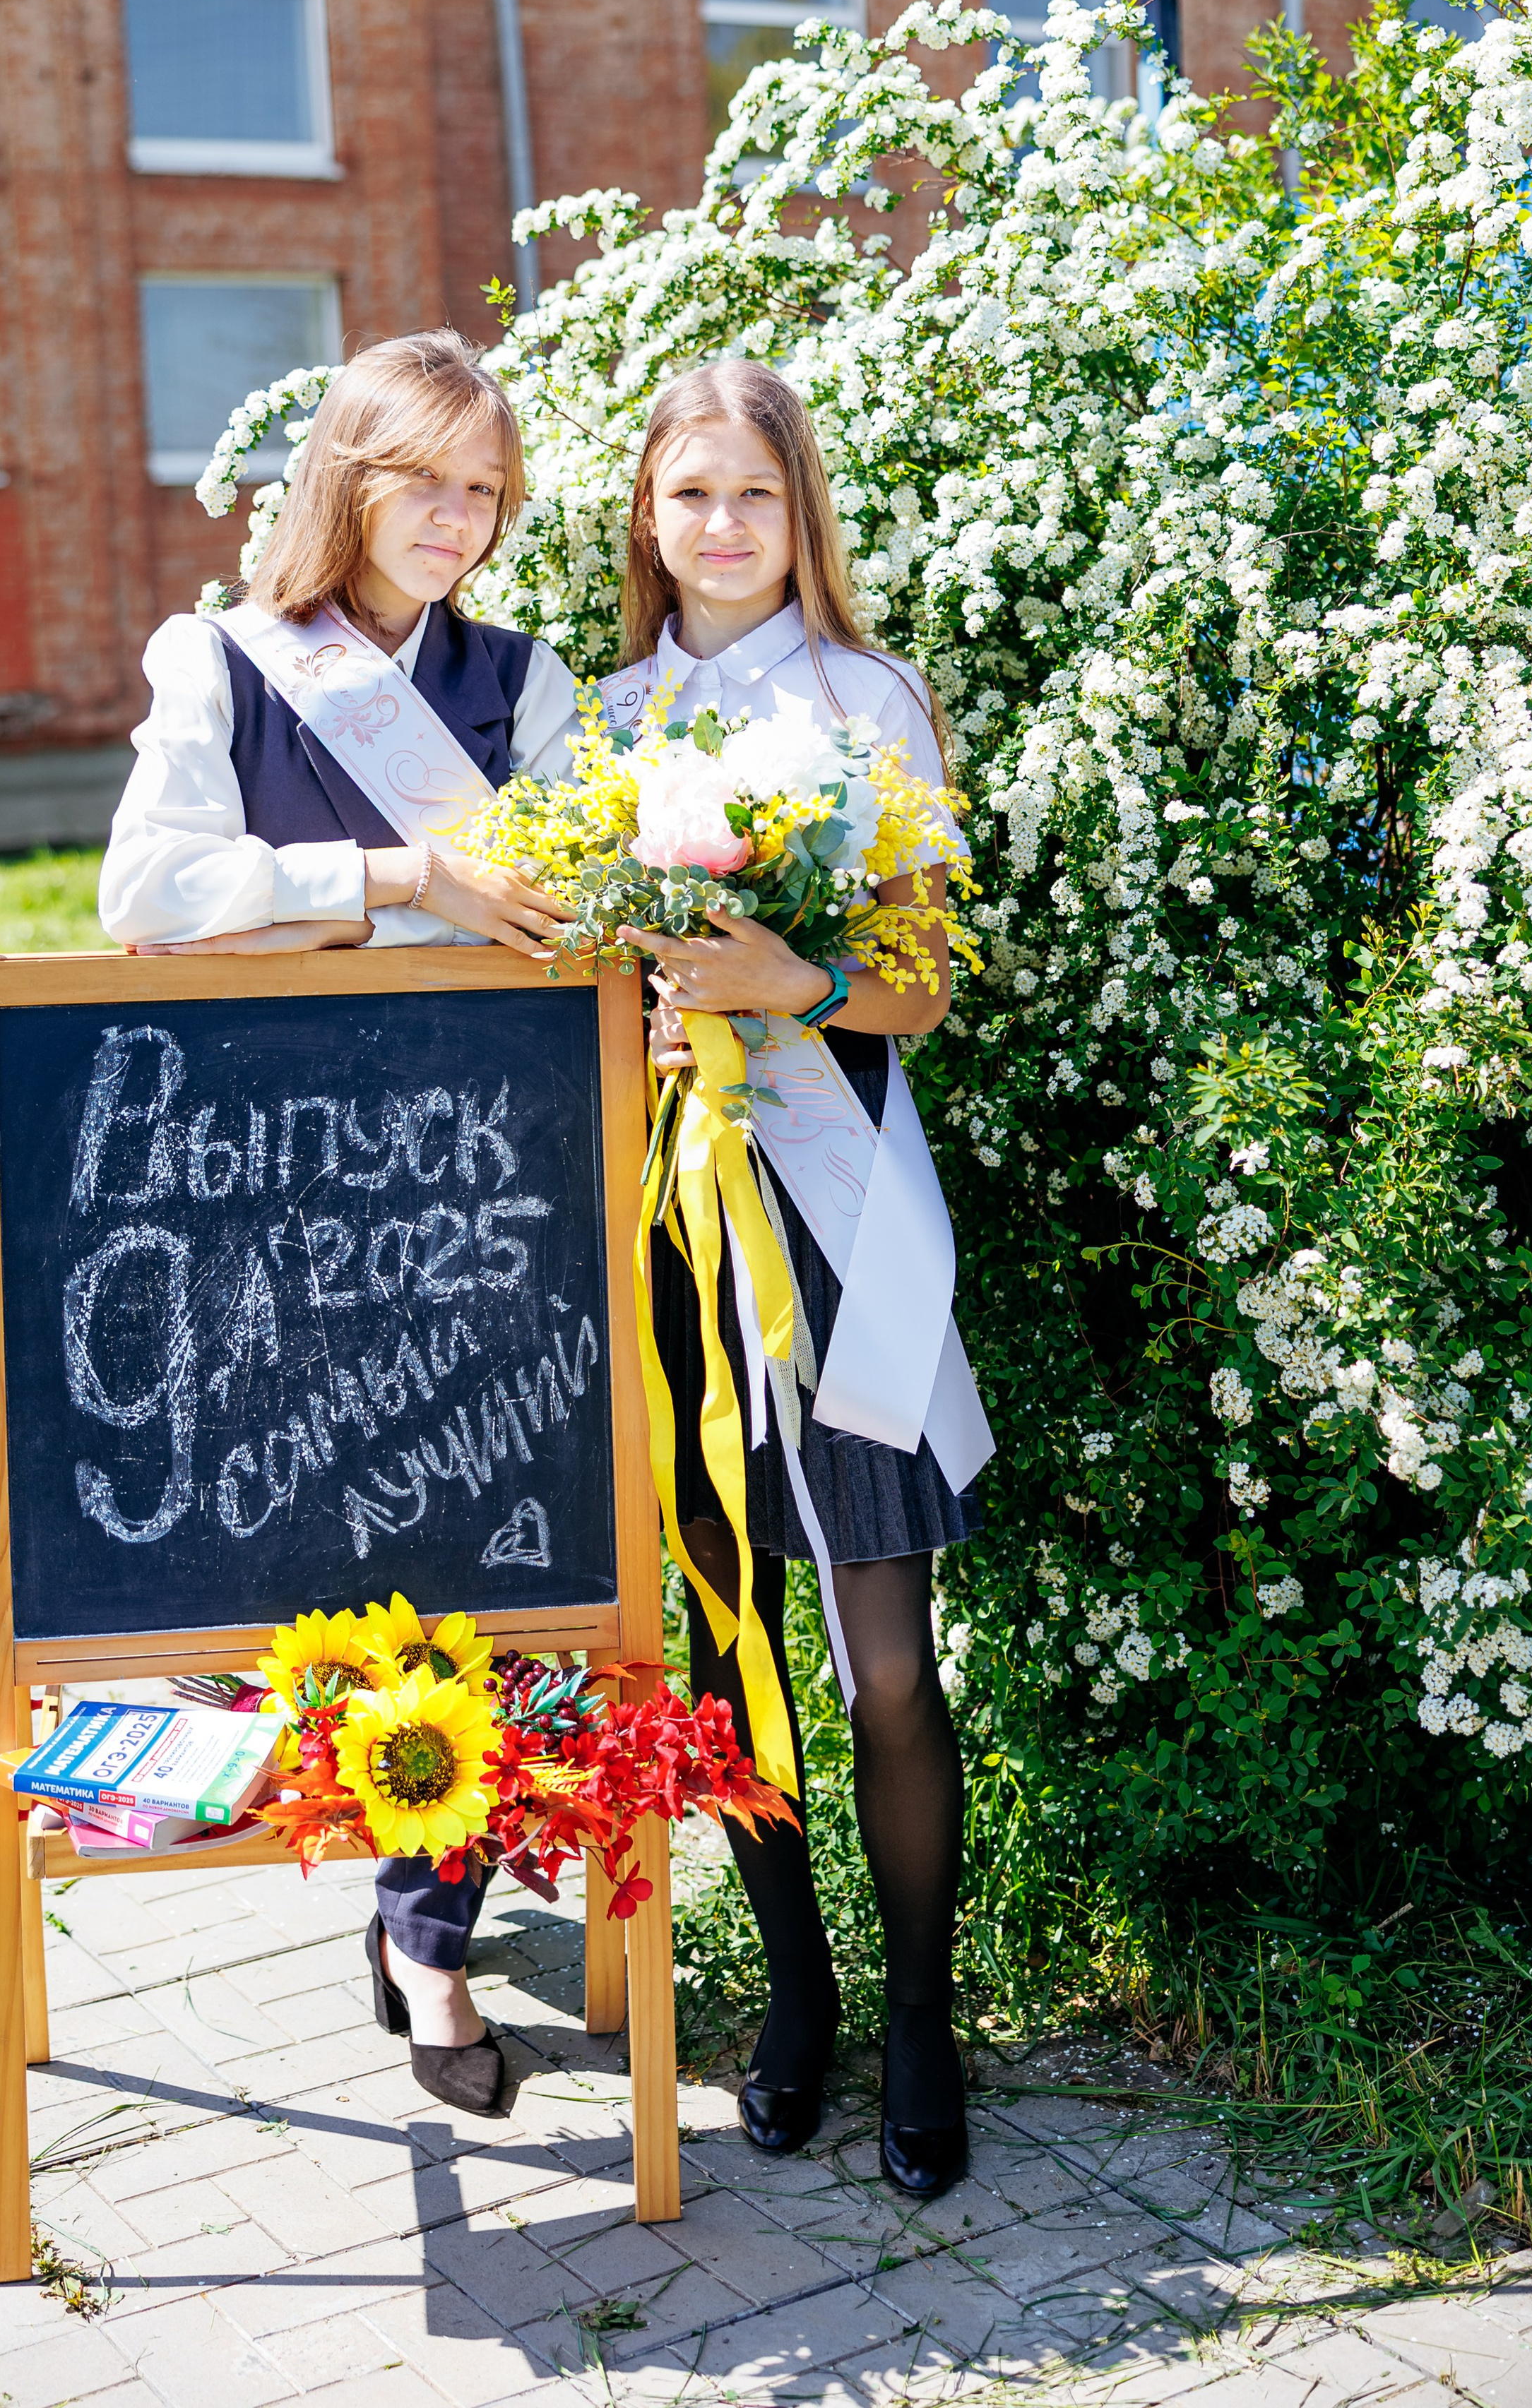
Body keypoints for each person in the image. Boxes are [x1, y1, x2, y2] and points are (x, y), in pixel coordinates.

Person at [97, 328, 579, 2115]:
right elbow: (149, 892)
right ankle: (402, 1902)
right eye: (423, 480)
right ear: (345, 477)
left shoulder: (525, 693)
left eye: (485, 490)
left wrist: (297, 916)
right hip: (263, 1202)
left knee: (476, 1546)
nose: (455, 521)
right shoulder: (217, 662)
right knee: (327, 1560)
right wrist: (394, 878)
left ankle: (426, 1942)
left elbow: (570, 917)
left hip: (479, 1192)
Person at [602, 359, 986, 2201]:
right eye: (691, 494)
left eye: (756, 493)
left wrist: (794, 988)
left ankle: (923, 2011)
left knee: (883, 1658)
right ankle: (798, 1991)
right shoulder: (592, 724)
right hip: (668, 1237)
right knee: (722, 1633)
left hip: (835, 1227)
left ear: (800, 513)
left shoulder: (873, 702)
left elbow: (920, 988)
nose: (725, 526)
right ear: (648, 516)